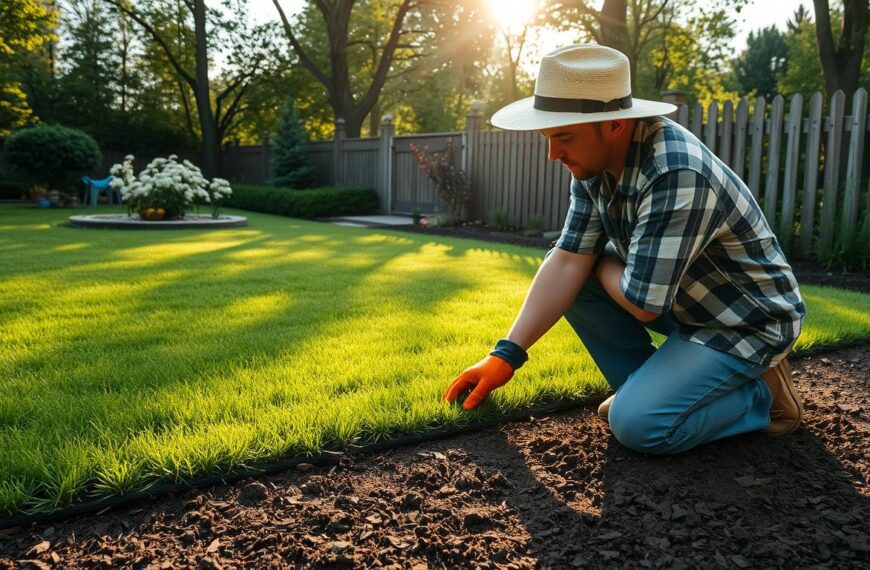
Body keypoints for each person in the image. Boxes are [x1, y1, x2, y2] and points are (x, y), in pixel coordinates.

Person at [442, 44, 807, 456]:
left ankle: (759, 396)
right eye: (548, 137)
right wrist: (505, 355)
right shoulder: (593, 166)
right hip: (687, 308)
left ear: (614, 124)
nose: (553, 154)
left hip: (744, 322)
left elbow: (643, 305)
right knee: (577, 278)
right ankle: (656, 390)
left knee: (639, 426)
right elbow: (564, 260)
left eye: (563, 137)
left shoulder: (675, 174)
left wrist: (596, 264)